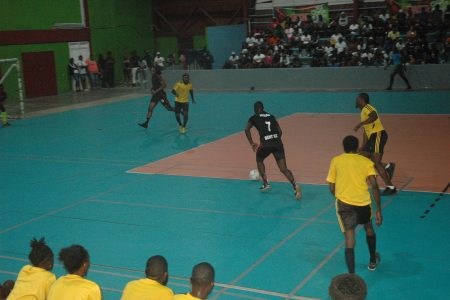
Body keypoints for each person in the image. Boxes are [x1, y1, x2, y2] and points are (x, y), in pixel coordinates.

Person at [327, 135, 382, 273]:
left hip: (345, 204)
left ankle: (352, 275)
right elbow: (374, 186)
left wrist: (342, 196)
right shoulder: (365, 161)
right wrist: (379, 210)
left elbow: (332, 187)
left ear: (343, 147)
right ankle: (372, 261)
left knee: (350, 239)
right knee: (369, 228)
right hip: (363, 203)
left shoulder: (336, 160)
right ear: (357, 148)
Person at [245, 101, 302, 199]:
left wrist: (252, 143)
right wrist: (275, 139)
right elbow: (280, 131)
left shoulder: (254, 117)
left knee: (259, 159)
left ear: (255, 109)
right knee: (283, 168)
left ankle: (266, 183)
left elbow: (246, 129)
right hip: (278, 144)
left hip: (266, 144)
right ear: (263, 108)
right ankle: (295, 186)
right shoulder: (272, 116)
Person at [354, 93, 397, 195]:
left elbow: (374, 115)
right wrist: (363, 146)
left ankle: (391, 187)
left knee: (376, 163)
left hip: (378, 135)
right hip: (372, 137)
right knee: (364, 156)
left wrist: (360, 124)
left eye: (357, 99)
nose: (355, 101)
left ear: (361, 100)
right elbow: (366, 131)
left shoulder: (367, 108)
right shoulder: (363, 112)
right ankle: (387, 166)